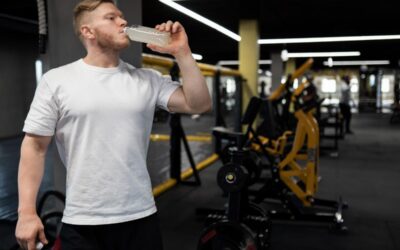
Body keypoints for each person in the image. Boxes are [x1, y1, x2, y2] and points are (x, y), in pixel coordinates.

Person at [15, 0, 212, 249]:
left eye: (121, 17)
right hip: (82, 220)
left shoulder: (147, 79)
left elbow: (199, 104)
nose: (123, 21)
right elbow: (35, 147)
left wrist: (182, 52)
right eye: (111, 18)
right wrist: (27, 213)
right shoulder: (56, 81)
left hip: (140, 216)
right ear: (88, 31)